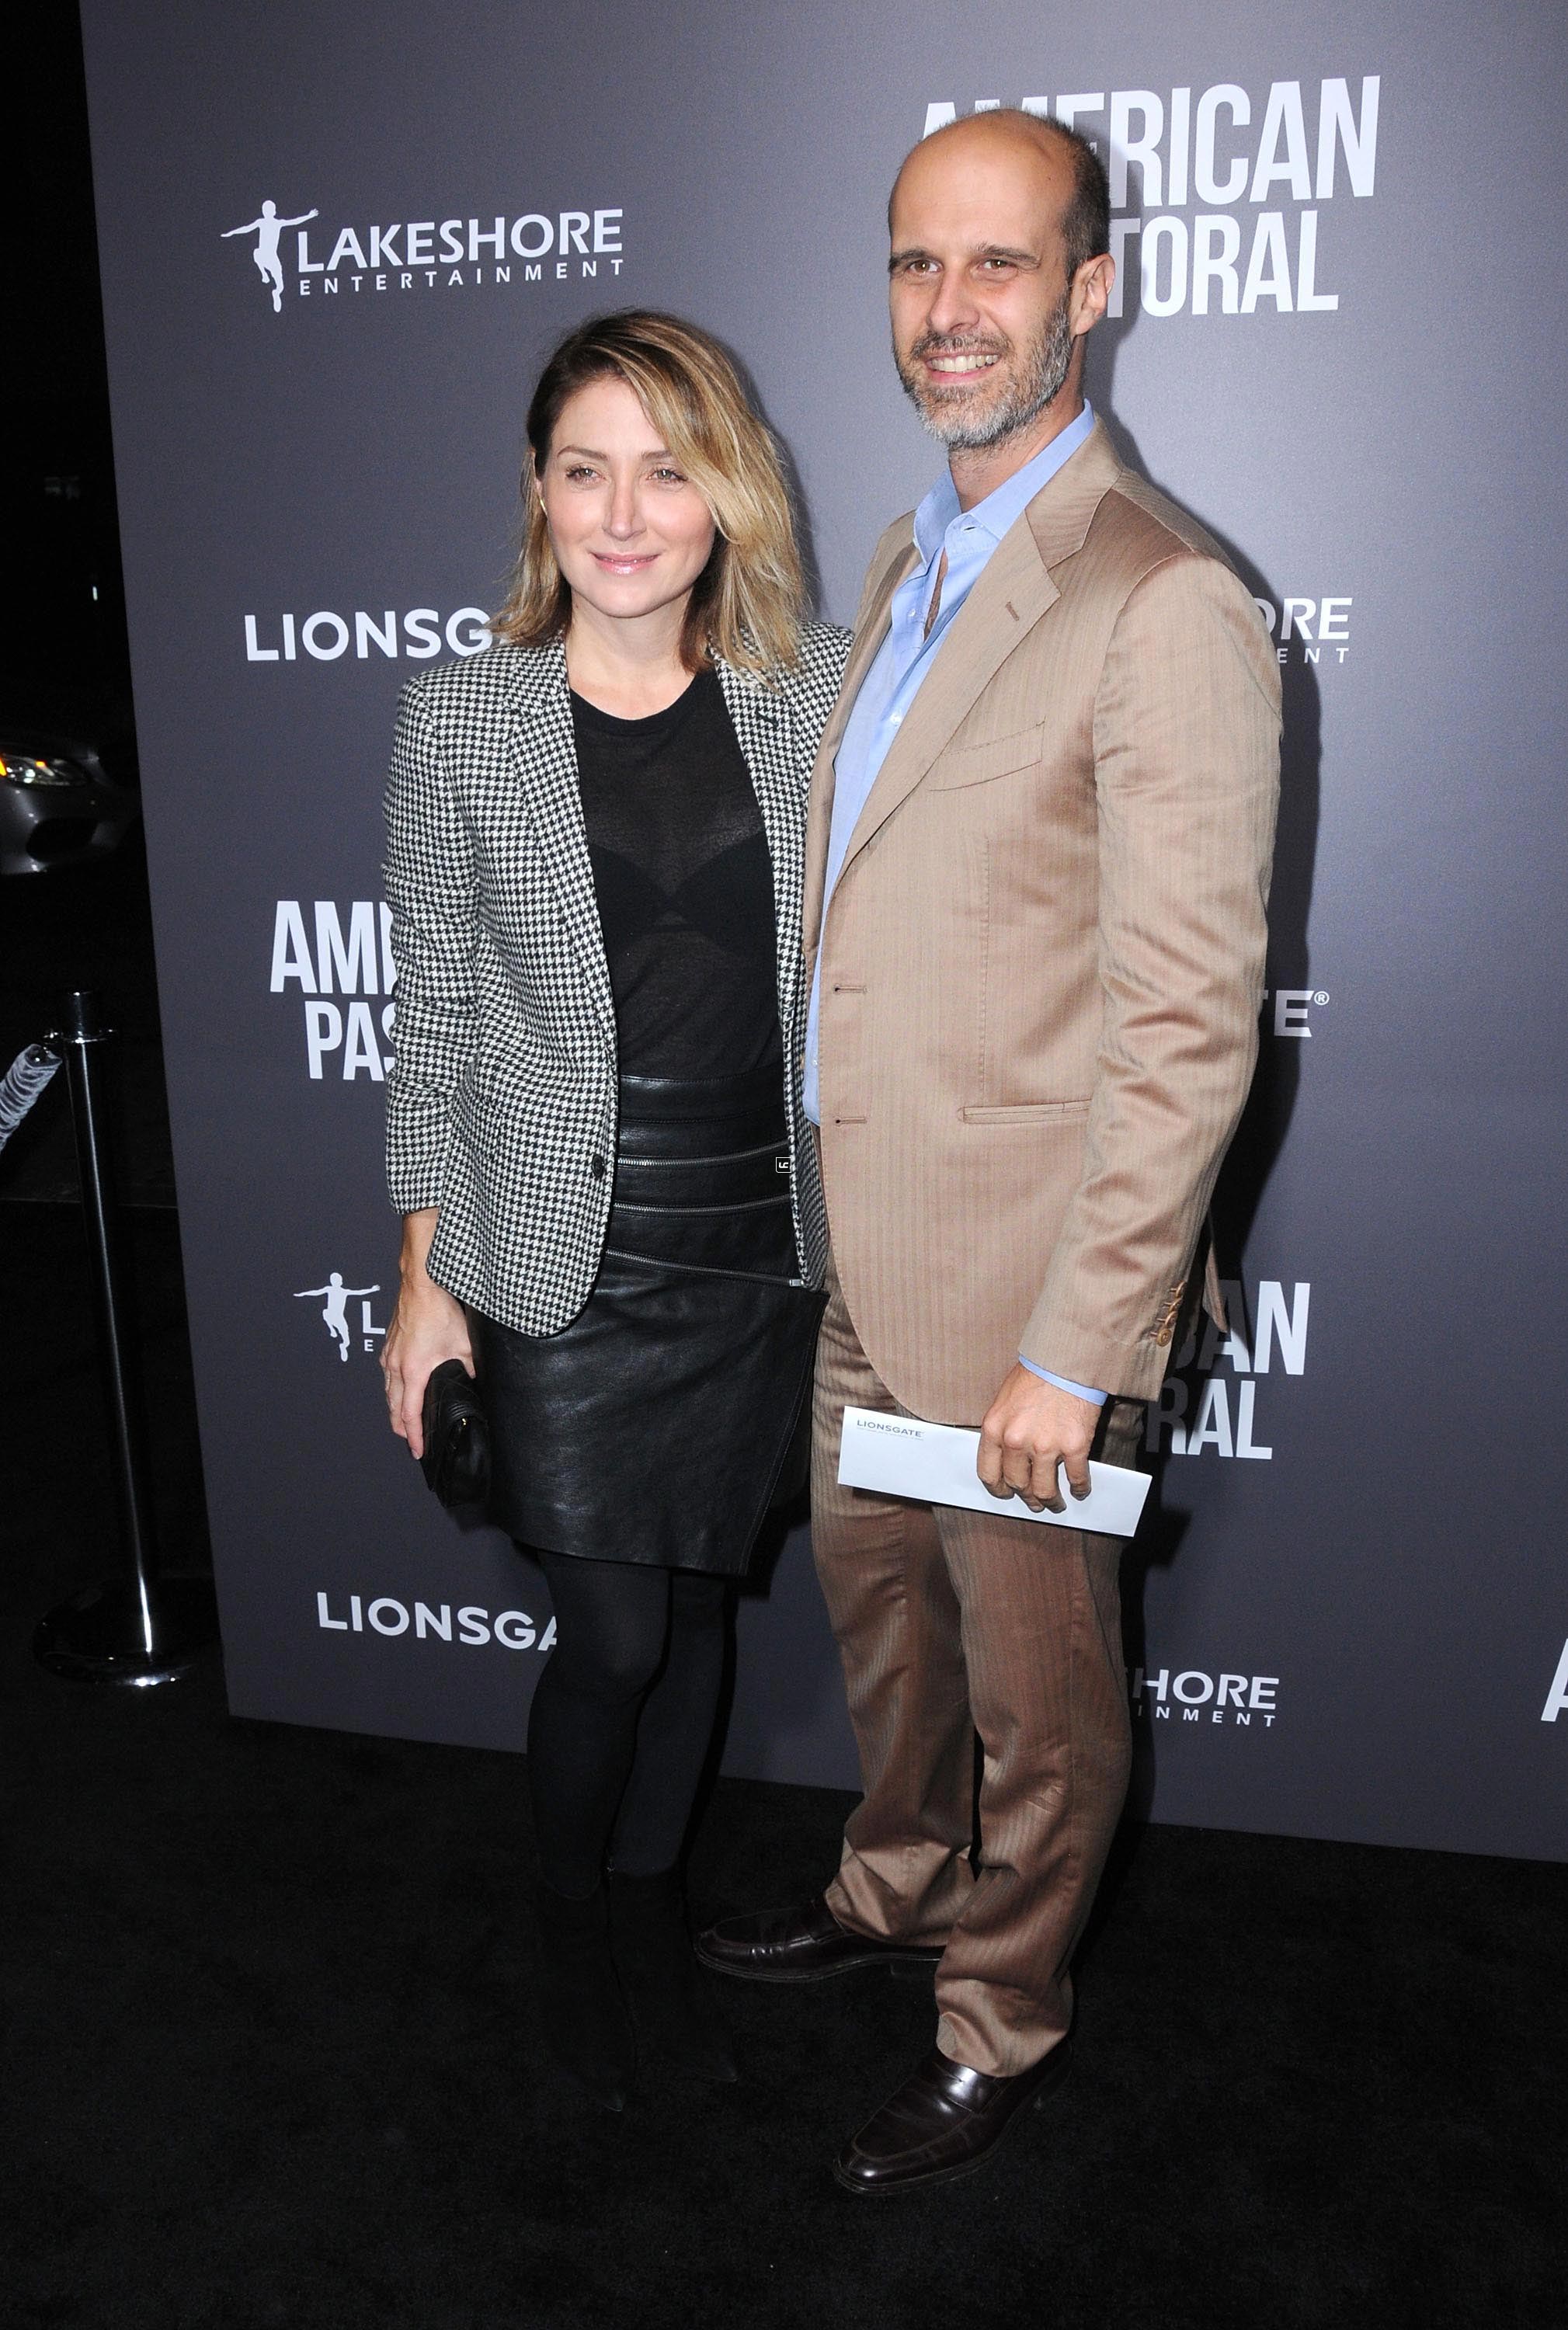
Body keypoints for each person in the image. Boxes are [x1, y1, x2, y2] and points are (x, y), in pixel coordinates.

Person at [698, 110, 1281, 2193]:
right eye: (910, 268)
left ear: (1089, 290)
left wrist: (1082, 1337)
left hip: (1033, 1304)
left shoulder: (1165, 600)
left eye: (997, 268)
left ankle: (997, 2013)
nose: (944, 315)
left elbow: (1184, 1025)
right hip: (866, 1261)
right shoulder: (905, 554)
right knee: (883, 1629)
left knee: (1041, 1700)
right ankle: (890, 1885)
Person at [379, 311, 848, 2114]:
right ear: (538, 495)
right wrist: (424, 1288)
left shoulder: (813, 702)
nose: (625, 512)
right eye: (586, 469)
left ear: (724, 494)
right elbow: (430, 1021)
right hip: (557, 1262)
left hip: (753, 1246)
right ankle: (572, 1917)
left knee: (705, 1611)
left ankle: (647, 1910)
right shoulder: (457, 717)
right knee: (620, 1634)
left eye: (665, 469)